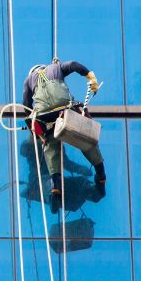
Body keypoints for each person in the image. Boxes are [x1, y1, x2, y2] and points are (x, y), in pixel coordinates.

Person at [22, 59, 104, 213]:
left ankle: (55, 189)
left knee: (51, 146)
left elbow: (26, 106)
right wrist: (90, 76)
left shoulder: (29, 80)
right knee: (83, 136)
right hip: (65, 107)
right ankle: (100, 172)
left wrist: (35, 128)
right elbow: (73, 64)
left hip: (44, 114)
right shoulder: (55, 68)